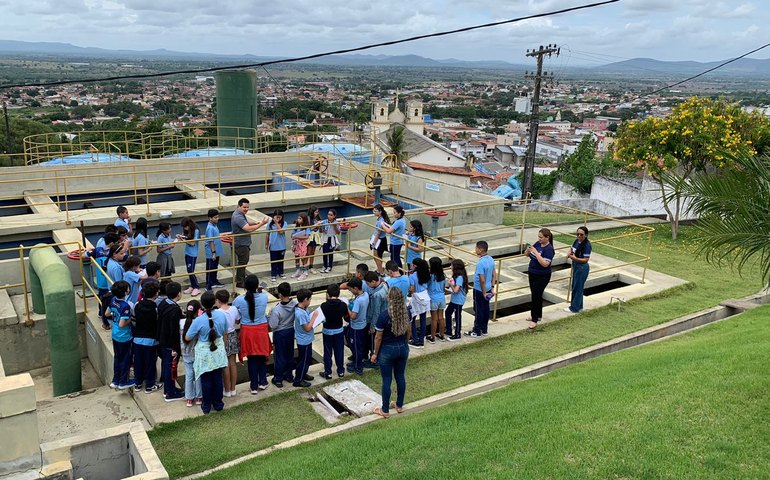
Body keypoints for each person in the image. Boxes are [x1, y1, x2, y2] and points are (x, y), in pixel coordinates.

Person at [184, 291, 228, 414]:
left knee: (206, 380)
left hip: (204, 352)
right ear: (214, 301)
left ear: (202, 305)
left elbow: (187, 337)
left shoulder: (198, 320)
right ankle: (218, 404)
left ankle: (207, 406)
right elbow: (225, 332)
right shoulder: (221, 315)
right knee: (218, 378)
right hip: (218, 349)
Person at [371, 287, 411, 418]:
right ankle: (399, 405)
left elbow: (378, 337)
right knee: (400, 376)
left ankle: (385, 410)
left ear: (390, 298)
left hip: (387, 349)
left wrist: (375, 353)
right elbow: (408, 331)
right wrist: (405, 343)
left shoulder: (384, 315)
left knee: (387, 380)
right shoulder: (406, 312)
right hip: (402, 347)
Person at [233, 274, 272, 394]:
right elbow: (259, 298)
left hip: (247, 331)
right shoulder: (264, 297)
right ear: (257, 285)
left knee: (251, 358)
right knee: (261, 356)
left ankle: (254, 385)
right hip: (261, 330)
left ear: (244, 286)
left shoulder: (239, 300)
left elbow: (236, 313)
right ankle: (263, 381)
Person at [231, 198, 270, 288]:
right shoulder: (238, 216)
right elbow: (248, 229)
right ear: (239, 206)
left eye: (248, 207)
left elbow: (246, 223)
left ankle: (241, 278)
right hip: (241, 243)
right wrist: (261, 224)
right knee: (243, 262)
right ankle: (240, 281)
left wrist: (255, 223)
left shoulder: (239, 213)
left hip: (242, 242)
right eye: (244, 207)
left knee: (243, 262)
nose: (246, 209)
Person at [157, 281, 185, 401]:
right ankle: (170, 393)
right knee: (170, 367)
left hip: (162, 339)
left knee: (166, 365)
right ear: (178, 294)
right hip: (170, 342)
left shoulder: (164, 303)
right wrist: (175, 347)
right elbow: (173, 330)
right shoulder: (173, 309)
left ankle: (169, 389)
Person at [132, 281, 161, 393]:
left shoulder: (136, 305)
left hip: (137, 339)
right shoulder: (156, 308)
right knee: (150, 363)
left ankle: (138, 384)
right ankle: (149, 385)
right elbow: (157, 323)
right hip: (151, 340)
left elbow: (134, 321)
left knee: (138, 362)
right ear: (156, 294)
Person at [268, 282, 297, 388]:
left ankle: (278, 378)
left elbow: (273, 325)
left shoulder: (276, 310)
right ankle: (289, 375)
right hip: (290, 330)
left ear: (279, 294)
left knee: (280, 356)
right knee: (289, 354)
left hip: (280, 333)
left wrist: (269, 316)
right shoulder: (294, 304)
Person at [526, 228, 555, 330]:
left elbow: (545, 264)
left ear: (547, 238)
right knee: (535, 294)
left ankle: (534, 319)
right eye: (538, 237)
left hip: (542, 275)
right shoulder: (537, 244)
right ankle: (537, 315)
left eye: (541, 237)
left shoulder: (549, 249)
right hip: (532, 273)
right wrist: (528, 250)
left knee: (536, 296)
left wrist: (536, 253)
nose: (539, 239)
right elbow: (527, 255)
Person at [108, 280, 134, 390]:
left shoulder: (113, 301)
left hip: (115, 334)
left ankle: (115, 380)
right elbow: (122, 324)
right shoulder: (125, 306)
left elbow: (107, 313)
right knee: (125, 359)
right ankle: (123, 381)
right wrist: (130, 320)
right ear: (125, 292)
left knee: (117, 357)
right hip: (124, 336)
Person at [319, 283, 348, 379]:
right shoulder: (343, 305)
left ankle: (328, 372)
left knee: (327, 352)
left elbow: (322, 318)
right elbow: (346, 317)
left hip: (327, 331)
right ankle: (340, 371)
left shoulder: (323, 305)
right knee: (339, 351)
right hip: (339, 330)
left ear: (328, 293)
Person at [215, 289, 240, 398]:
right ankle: (233, 388)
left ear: (218, 300)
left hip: (222, 337)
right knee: (233, 363)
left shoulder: (217, 312)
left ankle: (227, 389)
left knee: (225, 364)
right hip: (233, 334)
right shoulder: (234, 309)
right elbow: (237, 321)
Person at [179, 300, 203, 408]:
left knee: (189, 374)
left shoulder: (181, 322)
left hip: (185, 352)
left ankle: (189, 398)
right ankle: (199, 397)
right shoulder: (198, 322)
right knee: (198, 374)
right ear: (198, 311)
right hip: (196, 352)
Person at [364, 270, 388, 367]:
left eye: (368, 283)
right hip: (385, 317)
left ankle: (374, 360)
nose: (367, 285)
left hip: (377, 321)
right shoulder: (384, 285)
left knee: (374, 342)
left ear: (373, 282)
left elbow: (376, 312)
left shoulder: (377, 295)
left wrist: (373, 327)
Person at [566, 226, 592, 314]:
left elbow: (586, 259)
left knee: (577, 287)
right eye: (578, 234)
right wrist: (569, 254)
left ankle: (574, 307)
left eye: (581, 234)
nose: (579, 236)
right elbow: (572, 248)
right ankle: (579, 306)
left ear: (586, 235)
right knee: (576, 286)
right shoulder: (577, 241)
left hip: (582, 267)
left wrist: (575, 258)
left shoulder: (587, 245)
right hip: (576, 265)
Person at [346, 278, 369, 375]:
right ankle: (358, 362)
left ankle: (358, 366)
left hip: (356, 327)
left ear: (356, 288)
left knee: (356, 347)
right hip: (363, 324)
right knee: (360, 346)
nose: (351, 291)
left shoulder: (358, 301)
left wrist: (347, 307)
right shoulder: (366, 295)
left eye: (351, 289)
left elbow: (353, 316)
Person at [293, 288, 315, 388]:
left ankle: (303, 374)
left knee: (307, 359)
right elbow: (307, 328)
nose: (310, 301)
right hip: (303, 340)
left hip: (307, 339)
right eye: (310, 299)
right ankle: (298, 379)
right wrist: (314, 318)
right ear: (305, 299)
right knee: (303, 360)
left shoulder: (303, 309)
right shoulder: (300, 313)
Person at [445, 259, 468, 341]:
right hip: (454, 299)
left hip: (458, 300)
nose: (451, 267)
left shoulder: (460, 278)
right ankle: (448, 330)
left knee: (457, 316)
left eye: (452, 266)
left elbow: (456, 290)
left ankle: (457, 334)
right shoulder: (457, 276)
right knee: (448, 312)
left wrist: (450, 284)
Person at [427, 256, 447, 343]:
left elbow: (427, 285)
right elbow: (444, 287)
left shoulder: (431, 276)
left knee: (434, 319)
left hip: (433, 298)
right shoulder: (443, 275)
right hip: (442, 298)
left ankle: (432, 337)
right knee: (441, 317)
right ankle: (442, 335)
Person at [204, 209, 226, 290]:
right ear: (210, 218)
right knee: (211, 268)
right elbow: (211, 241)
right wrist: (213, 252)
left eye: (217, 217)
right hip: (212, 252)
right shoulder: (210, 228)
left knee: (214, 267)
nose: (217, 219)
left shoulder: (214, 225)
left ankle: (214, 281)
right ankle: (208, 286)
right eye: (215, 217)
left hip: (216, 251)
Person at [180, 217, 201, 296]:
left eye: (186, 226)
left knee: (191, 270)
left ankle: (196, 287)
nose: (185, 228)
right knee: (189, 270)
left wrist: (184, 240)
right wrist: (181, 237)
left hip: (193, 254)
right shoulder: (187, 231)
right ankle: (192, 286)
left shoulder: (196, 231)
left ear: (189, 225)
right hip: (187, 252)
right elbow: (186, 238)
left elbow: (193, 243)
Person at [381, 205, 406, 269]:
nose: (393, 214)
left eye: (395, 212)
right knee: (396, 257)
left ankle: (398, 271)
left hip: (395, 242)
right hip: (398, 241)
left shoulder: (398, 222)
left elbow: (389, 231)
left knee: (395, 259)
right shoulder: (402, 220)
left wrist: (383, 225)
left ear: (399, 213)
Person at [266, 209, 288, 282]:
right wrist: (266, 243)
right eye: (276, 217)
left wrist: (276, 223)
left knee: (280, 261)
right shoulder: (270, 224)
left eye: (279, 217)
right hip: (273, 246)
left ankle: (281, 273)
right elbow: (267, 234)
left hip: (282, 246)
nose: (278, 219)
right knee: (273, 261)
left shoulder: (284, 223)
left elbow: (281, 231)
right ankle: (273, 274)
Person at [371, 204, 390, 276]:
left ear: (380, 211)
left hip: (379, 240)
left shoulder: (380, 221)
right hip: (381, 239)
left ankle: (381, 272)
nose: (374, 212)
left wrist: (374, 243)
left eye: (375, 211)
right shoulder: (381, 219)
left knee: (376, 256)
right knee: (379, 256)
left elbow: (378, 233)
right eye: (374, 210)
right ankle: (379, 269)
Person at [291, 213, 311, 281]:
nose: (298, 220)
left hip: (303, 245)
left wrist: (297, 236)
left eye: (300, 219)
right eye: (298, 218)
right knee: (296, 257)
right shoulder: (296, 227)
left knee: (303, 258)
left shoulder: (306, 228)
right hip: (296, 244)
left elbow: (307, 236)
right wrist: (293, 237)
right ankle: (298, 270)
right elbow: (292, 234)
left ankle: (304, 272)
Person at [320, 209, 340, 274]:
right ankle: (324, 266)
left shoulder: (336, 222)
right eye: (328, 214)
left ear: (334, 216)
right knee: (324, 253)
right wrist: (322, 229)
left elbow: (338, 232)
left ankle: (330, 266)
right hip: (325, 238)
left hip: (331, 239)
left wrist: (334, 227)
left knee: (330, 253)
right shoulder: (325, 221)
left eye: (331, 215)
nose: (329, 216)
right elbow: (321, 230)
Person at [306, 205, 322, 274]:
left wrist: (320, 226)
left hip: (316, 236)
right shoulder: (308, 218)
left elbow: (318, 229)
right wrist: (316, 225)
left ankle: (311, 266)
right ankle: (305, 267)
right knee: (308, 253)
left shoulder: (316, 219)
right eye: (315, 212)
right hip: (310, 236)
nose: (317, 213)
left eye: (317, 212)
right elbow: (308, 228)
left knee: (312, 253)